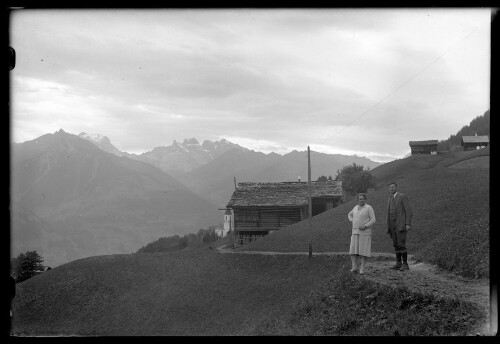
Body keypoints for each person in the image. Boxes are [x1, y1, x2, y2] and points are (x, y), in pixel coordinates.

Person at [385, 182, 413, 270]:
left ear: (396, 188)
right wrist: (388, 225)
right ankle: (398, 263)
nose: (392, 189)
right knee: (395, 244)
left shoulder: (402, 197)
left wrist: (408, 223)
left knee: (401, 244)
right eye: (390, 187)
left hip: (400, 224)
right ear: (388, 189)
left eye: (393, 187)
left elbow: (408, 211)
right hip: (391, 224)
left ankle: (405, 264)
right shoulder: (389, 198)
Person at [348, 193, 376, 275]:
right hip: (355, 232)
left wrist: (365, 226)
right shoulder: (355, 207)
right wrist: (352, 221)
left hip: (365, 233)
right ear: (358, 200)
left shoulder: (368, 207)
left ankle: (362, 269)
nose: (361, 200)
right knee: (353, 250)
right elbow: (349, 215)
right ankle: (354, 267)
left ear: (365, 199)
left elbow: (373, 220)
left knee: (363, 251)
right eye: (360, 199)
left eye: (363, 199)